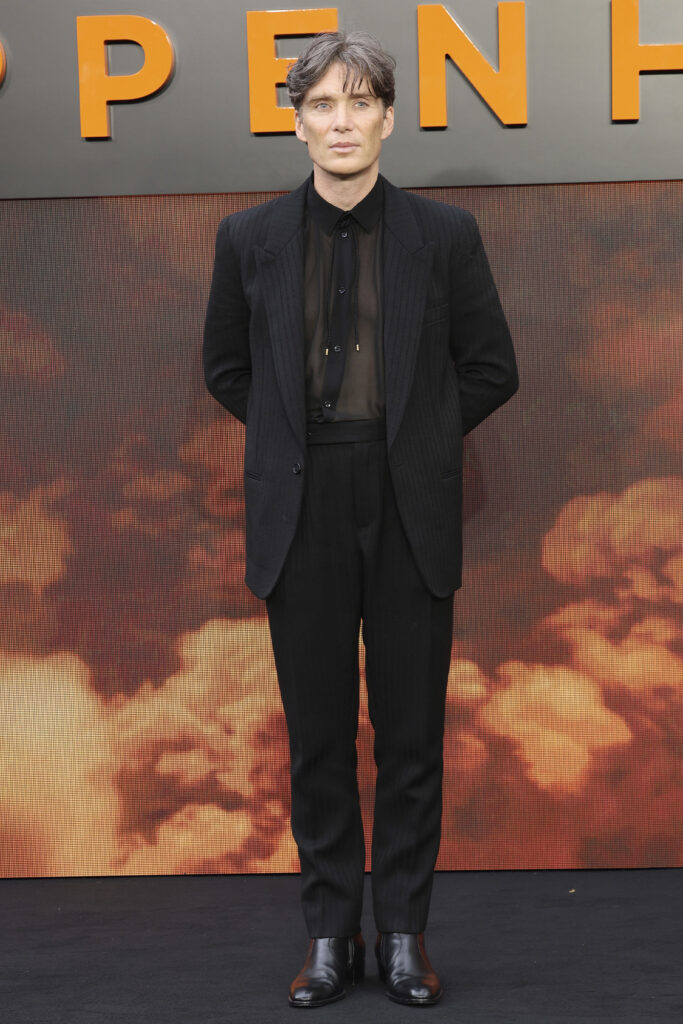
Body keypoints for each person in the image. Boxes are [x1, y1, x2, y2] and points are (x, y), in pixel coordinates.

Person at [203, 30, 518, 1008]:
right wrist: (293, 440)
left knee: (411, 733)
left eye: (358, 103)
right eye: (322, 106)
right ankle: (331, 935)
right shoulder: (248, 238)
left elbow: (490, 367)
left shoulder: (445, 235)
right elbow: (226, 369)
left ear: (388, 117)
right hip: (299, 505)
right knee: (319, 738)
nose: (340, 122)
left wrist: (417, 442)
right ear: (295, 121)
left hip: (407, 500)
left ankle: (404, 937)